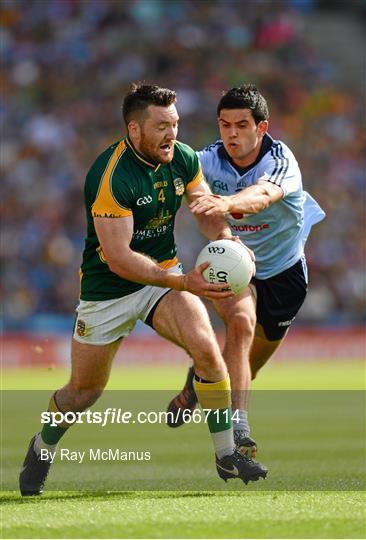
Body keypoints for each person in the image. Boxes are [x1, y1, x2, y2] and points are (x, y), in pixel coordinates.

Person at [19, 84, 268, 496]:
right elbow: (118, 257)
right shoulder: (110, 175)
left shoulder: (184, 158)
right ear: (135, 130)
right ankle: (42, 447)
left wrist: (226, 236)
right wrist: (183, 281)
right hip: (109, 290)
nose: (172, 134)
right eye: (161, 127)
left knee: (207, 349)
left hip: (164, 278)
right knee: (84, 392)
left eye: (175, 124)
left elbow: (205, 210)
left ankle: (227, 453)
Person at [167, 84, 325, 457]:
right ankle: (238, 429)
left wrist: (227, 202)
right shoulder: (204, 161)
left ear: (262, 127)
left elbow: (263, 196)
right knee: (240, 324)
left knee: (246, 368)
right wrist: (222, 229)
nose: (232, 134)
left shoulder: (280, 160)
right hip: (232, 261)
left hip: (285, 273)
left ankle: (197, 382)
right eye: (225, 125)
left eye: (241, 125)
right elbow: (203, 213)